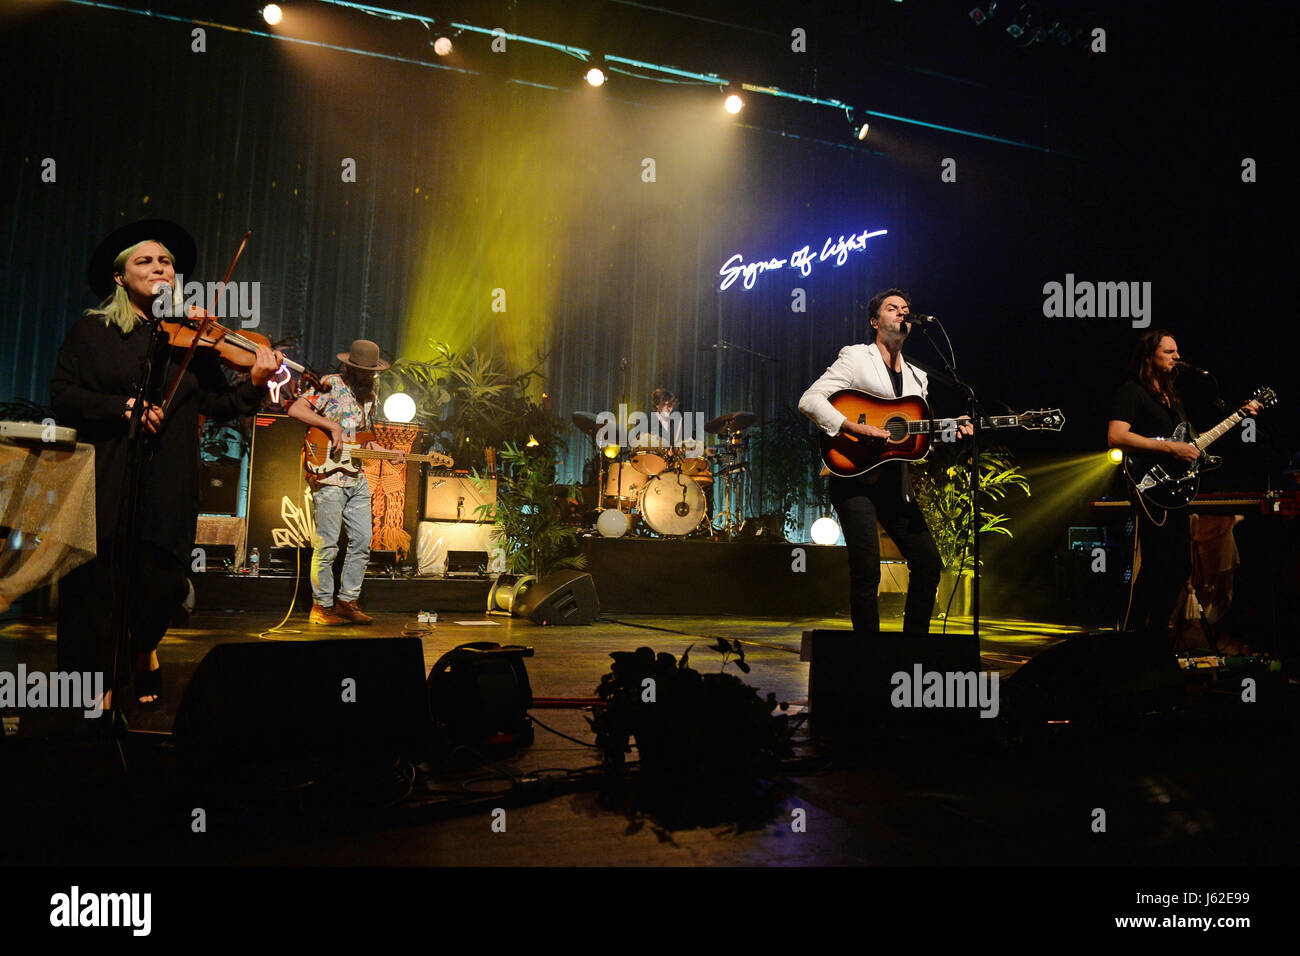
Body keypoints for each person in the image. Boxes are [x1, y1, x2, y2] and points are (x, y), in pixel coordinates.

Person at [50, 219, 282, 710]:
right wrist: (122, 408)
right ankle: (98, 691)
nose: (160, 267)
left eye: (166, 262)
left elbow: (219, 402)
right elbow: (64, 394)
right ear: (120, 277)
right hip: (109, 474)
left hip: (170, 481)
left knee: (163, 583)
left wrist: (258, 382)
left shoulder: (189, 338)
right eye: (146, 260)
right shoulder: (94, 331)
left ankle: (141, 647)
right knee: (103, 585)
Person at [798, 288, 972, 634]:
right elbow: (810, 399)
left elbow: (915, 437)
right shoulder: (856, 357)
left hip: (895, 483)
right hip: (854, 478)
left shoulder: (917, 376)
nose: (902, 314)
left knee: (928, 563)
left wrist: (953, 431)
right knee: (867, 569)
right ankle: (868, 652)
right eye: (892, 309)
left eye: (906, 309)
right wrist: (851, 427)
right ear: (875, 321)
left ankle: (913, 647)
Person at [1106, 329, 1259, 637]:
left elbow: (1188, 444)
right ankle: (1131, 640)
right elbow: (1117, 436)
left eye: (1177, 351)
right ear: (1149, 357)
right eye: (1169, 352)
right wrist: (1169, 447)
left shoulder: (1172, 399)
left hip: (1174, 491)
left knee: (1178, 568)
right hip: (1150, 487)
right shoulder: (1132, 392)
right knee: (1154, 567)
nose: (1177, 357)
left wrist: (1239, 415)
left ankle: (1157, 639)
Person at [288, 339, 395, 625]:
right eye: (363, 371)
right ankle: (320, 607)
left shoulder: (371, 396)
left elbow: (364, 441)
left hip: (356, 477)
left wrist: (390, 454)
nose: (368, 376)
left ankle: (347, 601)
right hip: (329, 476)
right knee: (328, 545)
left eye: (371, 372)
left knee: (362, 541)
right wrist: (330, 425)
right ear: (350, 367)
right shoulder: (329, 384)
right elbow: (296, 410)